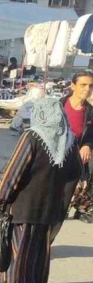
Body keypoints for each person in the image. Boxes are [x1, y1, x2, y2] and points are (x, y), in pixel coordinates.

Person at [0, 98, 82, 283]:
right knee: (36, 248)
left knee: (19, 247)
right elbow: (76, 171)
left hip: (24, 203)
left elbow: (13, 172)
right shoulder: (68, 140)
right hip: (50, 206)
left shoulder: (32, 136)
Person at [61, 71, 93, 220]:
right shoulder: (59, 105)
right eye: (83, 85)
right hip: (54, 158)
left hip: (75, 159)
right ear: (73, 86)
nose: (87, 89)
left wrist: (87, 145)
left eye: (90, 86)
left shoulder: (90, 111)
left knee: (63, 202)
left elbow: (91, 133)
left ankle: (80, 208)